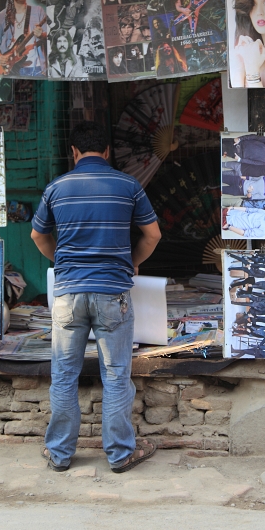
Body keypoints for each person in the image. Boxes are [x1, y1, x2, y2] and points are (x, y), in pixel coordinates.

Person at [31, 121, 161, 473]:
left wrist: (63, 261)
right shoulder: (128, 185)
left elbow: (37, 236)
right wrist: (130, 263)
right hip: (112, 294)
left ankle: (59, 454)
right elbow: (153, 234)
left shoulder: (56, 188)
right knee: (117, 375)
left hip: (68, 295)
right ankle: (120, 455)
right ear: (107, 152)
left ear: (73, 153)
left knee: (63, 374)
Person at [0, 0, 47, 77]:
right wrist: (0, 58)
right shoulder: (0, 17)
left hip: (35, 68)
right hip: (10, 69)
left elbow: (48, 37)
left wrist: (41, 35)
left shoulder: (38, 11)